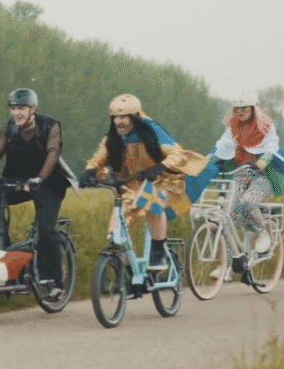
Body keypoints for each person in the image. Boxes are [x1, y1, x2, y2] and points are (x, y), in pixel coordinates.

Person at [0, 88, 76, 300]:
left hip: (49, 184)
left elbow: (53, 153)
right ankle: (5, 243)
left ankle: (54, 282)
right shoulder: (10, 128)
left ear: (33, 109)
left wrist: (40, 178)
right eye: (13, 108)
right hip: (20, 182)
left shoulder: (50, 126)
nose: (16, 113)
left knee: (46, 230)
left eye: (21, 108)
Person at [83, 94, 207, 270]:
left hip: (164, 181)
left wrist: (159, 168)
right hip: (132, 186)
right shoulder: (112, 137)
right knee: (115, 233)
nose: (118, 122)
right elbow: (99, 158)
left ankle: (159, 251)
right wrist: (89, 171)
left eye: (123, 117)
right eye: (115, 117)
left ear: (134, 116)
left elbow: (177, 154)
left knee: (151, 203)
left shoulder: (152, 130)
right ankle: (130, 271)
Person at [208, 91, 284, 254]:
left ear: (253, 108)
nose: (240, 112)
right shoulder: (233, 127)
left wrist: (264, 160)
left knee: (247, 202)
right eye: (237, 109)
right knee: (228, 214)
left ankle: (261, 231)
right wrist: (206, 160)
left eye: (244, 108)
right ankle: (229, 261)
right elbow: (222, 145)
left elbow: (272, 145)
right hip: (241, 174)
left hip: (262, 176)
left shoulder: (265, 126)